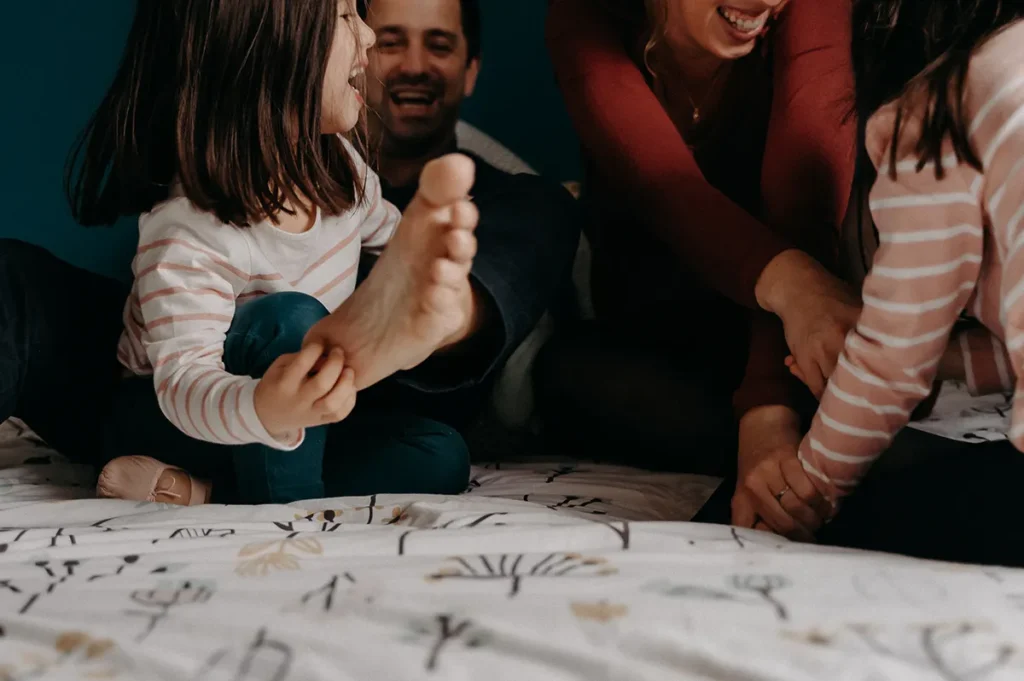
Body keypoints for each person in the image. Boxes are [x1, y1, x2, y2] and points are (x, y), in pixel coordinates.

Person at [0, 0, 580, 501]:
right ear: (273, 53)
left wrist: (417, 262)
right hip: (172, 414)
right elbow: (180, 385)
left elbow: (390, 233)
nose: (371, 37)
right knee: (291, 316)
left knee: (438, 453)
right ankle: (286, 509)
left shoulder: (345, 172)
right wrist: (261, 407)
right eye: (347, 15)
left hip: (295, 414)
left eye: (437, 44)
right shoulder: (190, 230)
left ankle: (212, 495)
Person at [541, 1, 860, 498]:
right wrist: (794, 290)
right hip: (659, 336)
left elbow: (805, 199)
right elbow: (666, 190)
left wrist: (768, 409)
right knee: (563, 375)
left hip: (794, 338)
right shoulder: (584, 16)